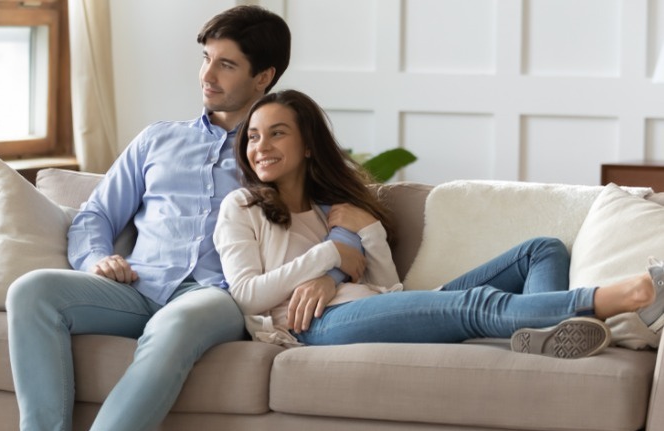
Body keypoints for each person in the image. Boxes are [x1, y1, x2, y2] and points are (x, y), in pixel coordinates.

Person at [5, 6, 291, 431]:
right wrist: (98, 259)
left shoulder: (279, 149)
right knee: (31, 291)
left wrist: (342, 245)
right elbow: (96, 215)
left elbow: (343, 206)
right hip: (138, 286)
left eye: (226, 65)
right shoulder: (158, 139)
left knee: (174, 322)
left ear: (263, 77)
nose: (207, 75)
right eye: (206, 58)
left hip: (216, 295)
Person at [214, 89, 664, 358]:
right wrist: (332, 256)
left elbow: (387, 286)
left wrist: (365, 232)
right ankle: (628, 296)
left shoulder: (335, 209)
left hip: (362, 304)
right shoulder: (241, 206)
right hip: (318, 326)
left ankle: (542, 333)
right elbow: (246, 293)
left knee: (542, 249)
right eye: (253, 136)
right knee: (472, 304)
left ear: (308, 144)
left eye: (277, 133)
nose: (260, 146)